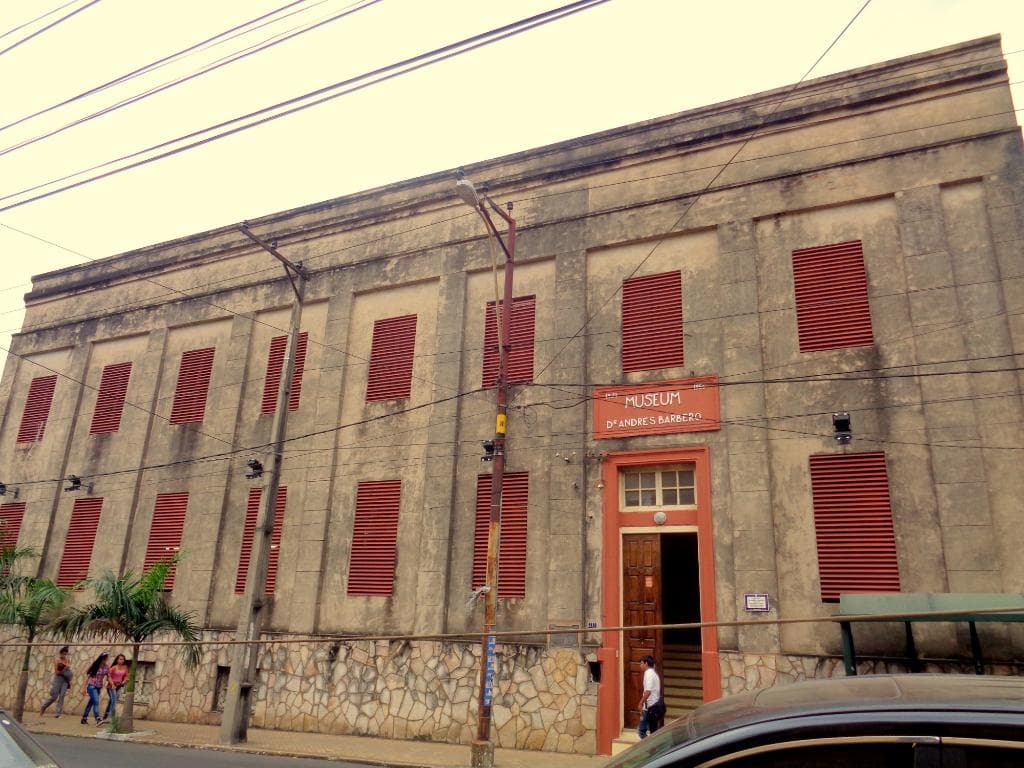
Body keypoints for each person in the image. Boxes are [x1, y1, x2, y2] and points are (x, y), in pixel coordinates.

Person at [39, 646, 73, 718]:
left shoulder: (68, 660)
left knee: (62, 696)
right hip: (58, 679)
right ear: (60, 654)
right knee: (54, 696)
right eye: (63, 654)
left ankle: (58, 714)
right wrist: (64, 668)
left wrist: (68, 671)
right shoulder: (57, 661)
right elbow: (57, 672)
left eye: (65, 654)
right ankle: (43, 707)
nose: (64, 655)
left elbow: (68, 671)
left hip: (65, 680)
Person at [637, 655, 664, 739]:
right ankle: (653, 747)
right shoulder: (654, 674)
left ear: (646, 663)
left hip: (649, 707)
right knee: (653, 730)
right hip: (654, 706)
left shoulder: (648, 673)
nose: (640, 665)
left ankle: (650, 747)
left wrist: (640, 703)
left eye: (641, 663)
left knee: (641, 731)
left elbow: (648, 691)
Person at [80, 652, 109, 725]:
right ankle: (98, 718)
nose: (106, 660)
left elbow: (109, 676)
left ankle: (84, 718)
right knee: (96, 701)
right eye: (105, 658)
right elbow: (88, 677)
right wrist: (83, 688)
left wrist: (111, 683)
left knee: (91, 703)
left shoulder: (106, 667)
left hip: (99, 687)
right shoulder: (95, 665)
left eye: (106, 658)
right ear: (102, 658)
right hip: (92, 686)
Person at [103, 654, 129, 723]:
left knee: (111, 701)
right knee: (114, 701)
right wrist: (112, 684)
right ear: (117, 660)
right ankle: (112, 719)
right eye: (120, 659)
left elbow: (126, 676)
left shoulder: (125, 667)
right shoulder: (113, 668)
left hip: (119, 686)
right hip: (111, 686)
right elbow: (108, 677)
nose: (121, 660)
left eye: (123, 659)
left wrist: (124, 681)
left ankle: (105, 716)